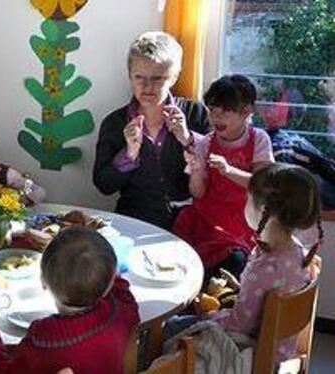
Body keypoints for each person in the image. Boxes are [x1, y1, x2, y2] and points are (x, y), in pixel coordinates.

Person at [168, 164, 323, 363]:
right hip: (282, 349)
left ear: (265, 210)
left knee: (172, 327)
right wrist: (239, 287)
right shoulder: (297, 251)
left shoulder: (266, 268)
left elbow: (238, 326)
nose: (244, 203)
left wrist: (209, 314)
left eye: (248, 199)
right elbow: (266, 299)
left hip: (254, 353)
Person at [0, 227, 139, 373]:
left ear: (43, 281)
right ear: (110, 285)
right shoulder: (120, 311)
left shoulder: (43, 339)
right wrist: (108, 275)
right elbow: (122, 290)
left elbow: (7, 371)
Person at [93, 31, 210, 230]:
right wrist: (129, 154)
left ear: (174, 77)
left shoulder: (195, 114)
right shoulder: (115, 122)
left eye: (157, 79)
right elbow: (104, 185)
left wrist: (188, 139)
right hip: (133, 217)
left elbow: (214, 176)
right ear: (129, 75)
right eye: (139, 77)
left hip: (188, 218)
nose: (147, 87)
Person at [173, 75, 274, 277]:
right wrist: (196, 169)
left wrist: (229, 170)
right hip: (205, 219)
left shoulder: (259, 139)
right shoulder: (205, 143)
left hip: (243, 222)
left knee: (235, 261)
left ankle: (223, 306)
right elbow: (198, 193)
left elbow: (265, 186)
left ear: (246, 112)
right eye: (212, 110)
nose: (216, 118)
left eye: (226, 111)